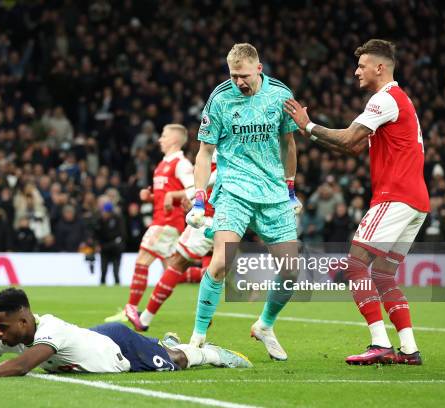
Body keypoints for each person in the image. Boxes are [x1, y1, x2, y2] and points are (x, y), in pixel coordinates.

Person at [284, 39, 429, 365]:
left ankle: (380, 343)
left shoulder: (385, 99)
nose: (356, 71)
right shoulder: (399, 101)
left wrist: (307, 125)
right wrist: (311, 132)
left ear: (380, 67)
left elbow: (349, 137)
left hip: (396, 196)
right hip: (416, 200)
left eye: (362, 66)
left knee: (355, 265)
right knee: (383, 275)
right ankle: (409, 348)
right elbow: (352, 148)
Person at [186, 43, 301, 361]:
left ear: (259, 69)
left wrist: (290, 189)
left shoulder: (280, 95)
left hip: (273, 193)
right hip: (234, 191)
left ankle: (264, 325)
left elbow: (288, 143)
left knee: (291, 269)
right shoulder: (220, 98)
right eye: (234, 75)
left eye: (244, 75)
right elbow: (205, 152)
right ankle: (197, 335)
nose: (239, 82)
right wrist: (200, 199)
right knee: (221, 261)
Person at [0, 288, 252, 379]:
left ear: (25, 320)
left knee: (174, 362)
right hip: (94, 338)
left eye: (2, 325)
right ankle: (165, 343)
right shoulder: (13, 336)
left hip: (119, 350)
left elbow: (22, 367)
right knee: (163, 350)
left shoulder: (49, 331)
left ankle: (208, 352)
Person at [105, 124, 194, 322]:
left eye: (163, 136)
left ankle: (131, 309)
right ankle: (212, 277)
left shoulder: (181, 163)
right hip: (165, 221)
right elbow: (167, 196)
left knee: (142, 260)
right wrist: (151, 197)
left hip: (167, 222)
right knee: (174, 271)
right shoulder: (162, 164)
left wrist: (173, 195)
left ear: (174, 140)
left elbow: (195, 188)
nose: (160, 140)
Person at [126, 153, 219, 331]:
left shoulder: (215, 147)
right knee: (212, 270)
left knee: (176, 265)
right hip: (229, 218)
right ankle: (204, 322)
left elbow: (214, 176)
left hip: (207, 217)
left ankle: (143, 318)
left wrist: (192, 196)